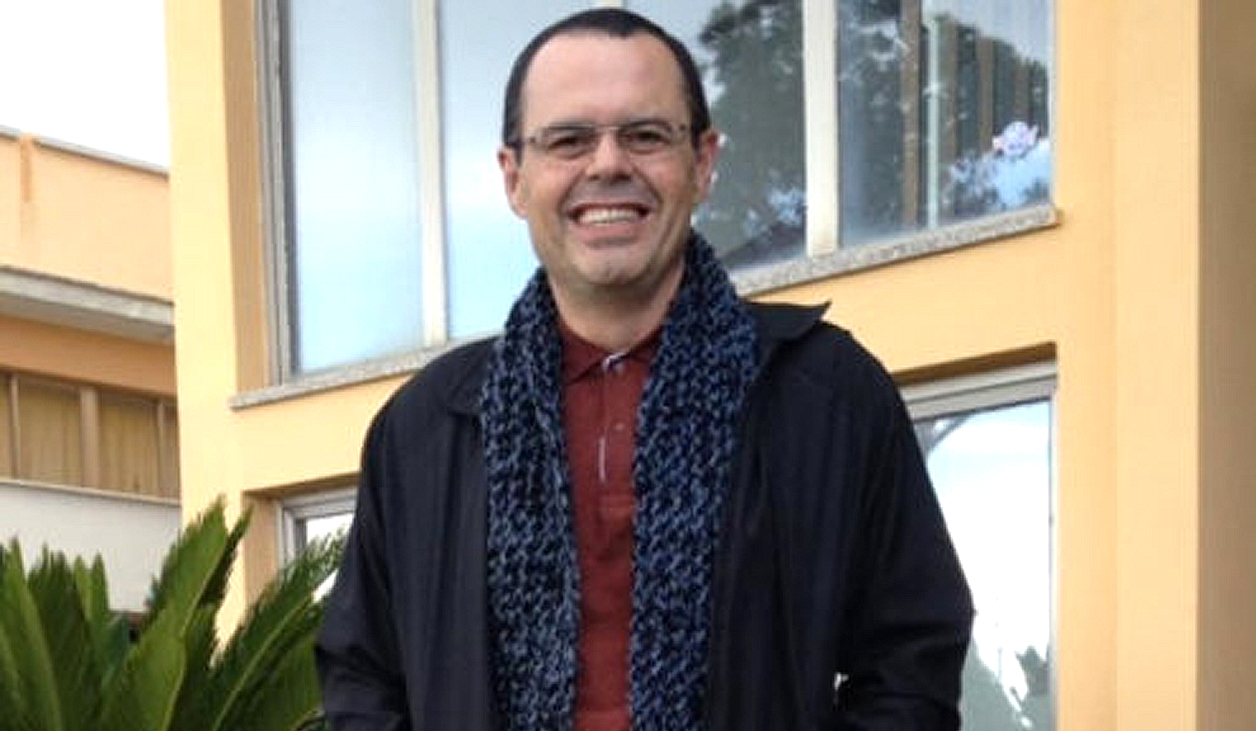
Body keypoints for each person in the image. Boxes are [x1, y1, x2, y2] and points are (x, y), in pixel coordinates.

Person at [316, 8, 973, 731]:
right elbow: (362, 676)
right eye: (568, 139)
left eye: (645, 135)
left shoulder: (827, 397)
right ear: (514, 177)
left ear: (703, 163)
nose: (606, 164)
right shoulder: (426, 429)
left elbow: (911, 663)